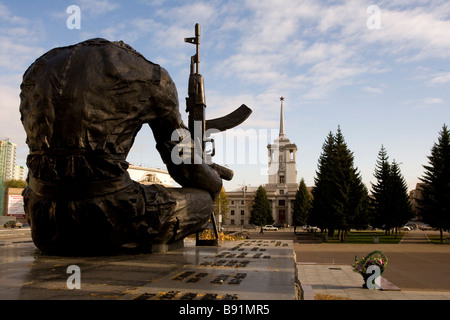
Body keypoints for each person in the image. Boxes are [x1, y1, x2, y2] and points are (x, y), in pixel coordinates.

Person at [20, 38, 222, 255]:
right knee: (202, 201)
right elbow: (186, 169)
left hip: (43, 219)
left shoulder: (38, 68)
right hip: (111, 218)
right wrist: (215, 181)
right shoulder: (154, 77)